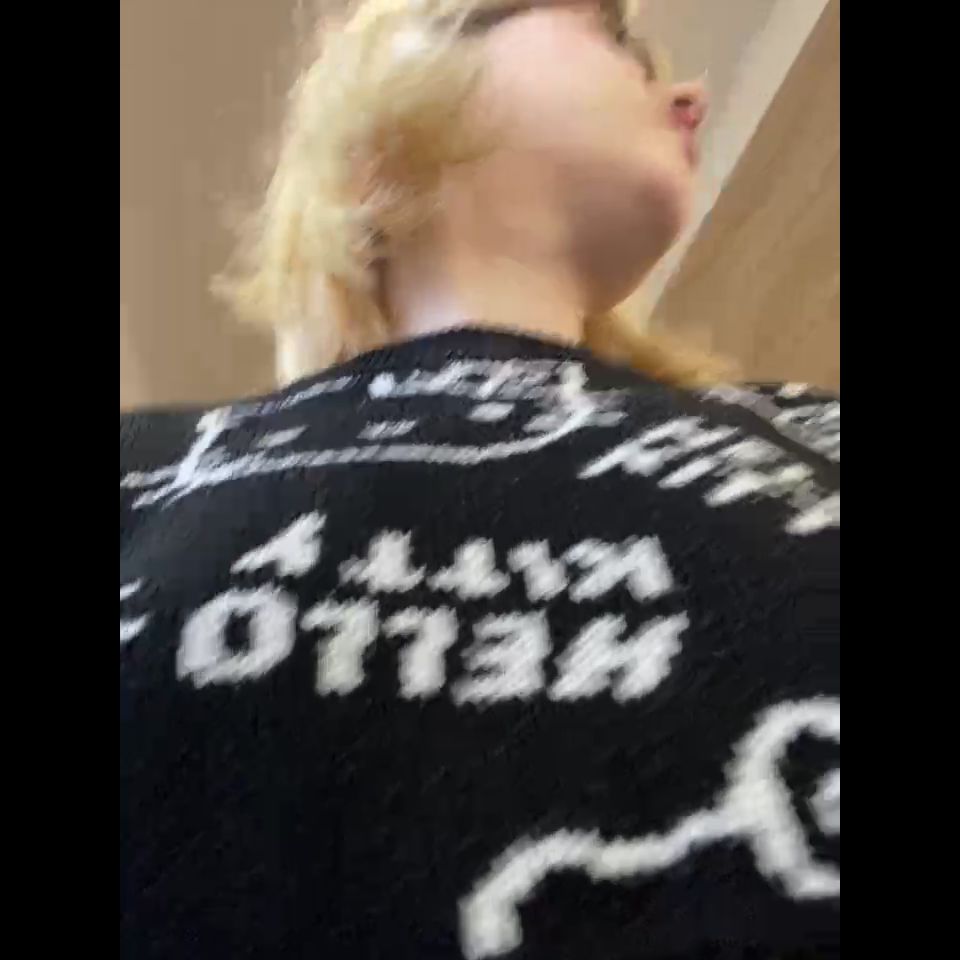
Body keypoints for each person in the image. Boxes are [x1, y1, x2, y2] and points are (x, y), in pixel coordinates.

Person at [120, 1, 840, 957]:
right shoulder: (148, 464)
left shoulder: (815, 427)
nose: (692, 92)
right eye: (616, 36)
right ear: (409, 68)